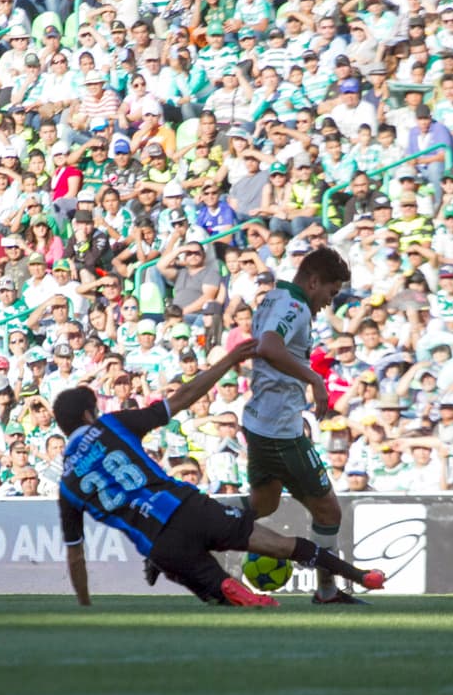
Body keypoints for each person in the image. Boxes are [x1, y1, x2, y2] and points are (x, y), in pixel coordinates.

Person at [54, 340, 385, 607]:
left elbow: (75, 554)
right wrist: (226, 362)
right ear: (88, 415)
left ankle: (227, 588)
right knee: (282, 545)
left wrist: (84, 602)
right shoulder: (112, 425)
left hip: (158, 540)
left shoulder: (68, 484)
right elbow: (181, 400)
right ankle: (359, 575)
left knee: (210, 587)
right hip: (188, 507)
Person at [242, 246, 362, 604]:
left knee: (262, 506)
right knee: (328, 511)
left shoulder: (275, 296)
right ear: (313, 282)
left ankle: (194, 528)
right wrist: (316, 379)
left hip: (262, 421)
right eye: (331, 291)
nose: (330, 301)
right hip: (280, 430)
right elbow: (268, 346)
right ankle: (327, 592)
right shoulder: (292, 307)